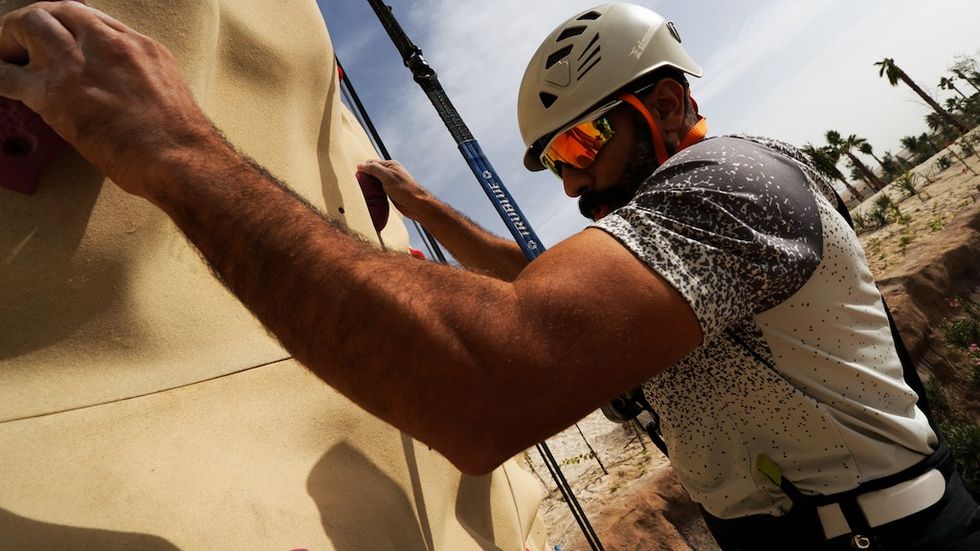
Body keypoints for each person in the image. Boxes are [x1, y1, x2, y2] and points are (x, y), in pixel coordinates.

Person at [0, 2, 976, 549]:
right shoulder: (667, 236)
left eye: (583, 140)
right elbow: (537, 277)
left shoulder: (730, 185)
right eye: (556, 164)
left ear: (667, 101)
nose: (575, 176)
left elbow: (491, 372)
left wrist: (177, 153)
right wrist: (425, 213)